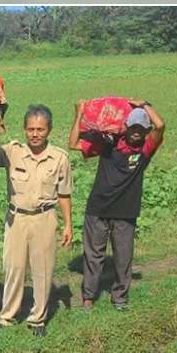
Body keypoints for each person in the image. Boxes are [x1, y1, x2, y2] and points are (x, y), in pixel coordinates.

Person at [0, 104, 73, 336]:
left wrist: (68, 224)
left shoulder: (59, 158)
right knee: (14, 268)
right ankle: (8, 316)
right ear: (24, 129)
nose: (35, 134)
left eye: (40, 129)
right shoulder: (13, 151)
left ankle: (37, 318)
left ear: (49, 130)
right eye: (31, 129)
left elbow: (64, 194)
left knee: (43, 270)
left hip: (44, 217)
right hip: (16, 218)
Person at [68, 99, 165, 311]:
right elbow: (73, 144)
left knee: (123, 258)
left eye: (141, 129)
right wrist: (79, 114)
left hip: (125, 212)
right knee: (94, 256)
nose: (137, 132)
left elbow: (160, 126)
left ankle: (120, 298)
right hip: (98, 209)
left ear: (145, 130)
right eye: (133, 127)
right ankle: (88, 298)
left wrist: (145, 104)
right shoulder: (108, 144)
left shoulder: (146, 150)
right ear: (126, 127)